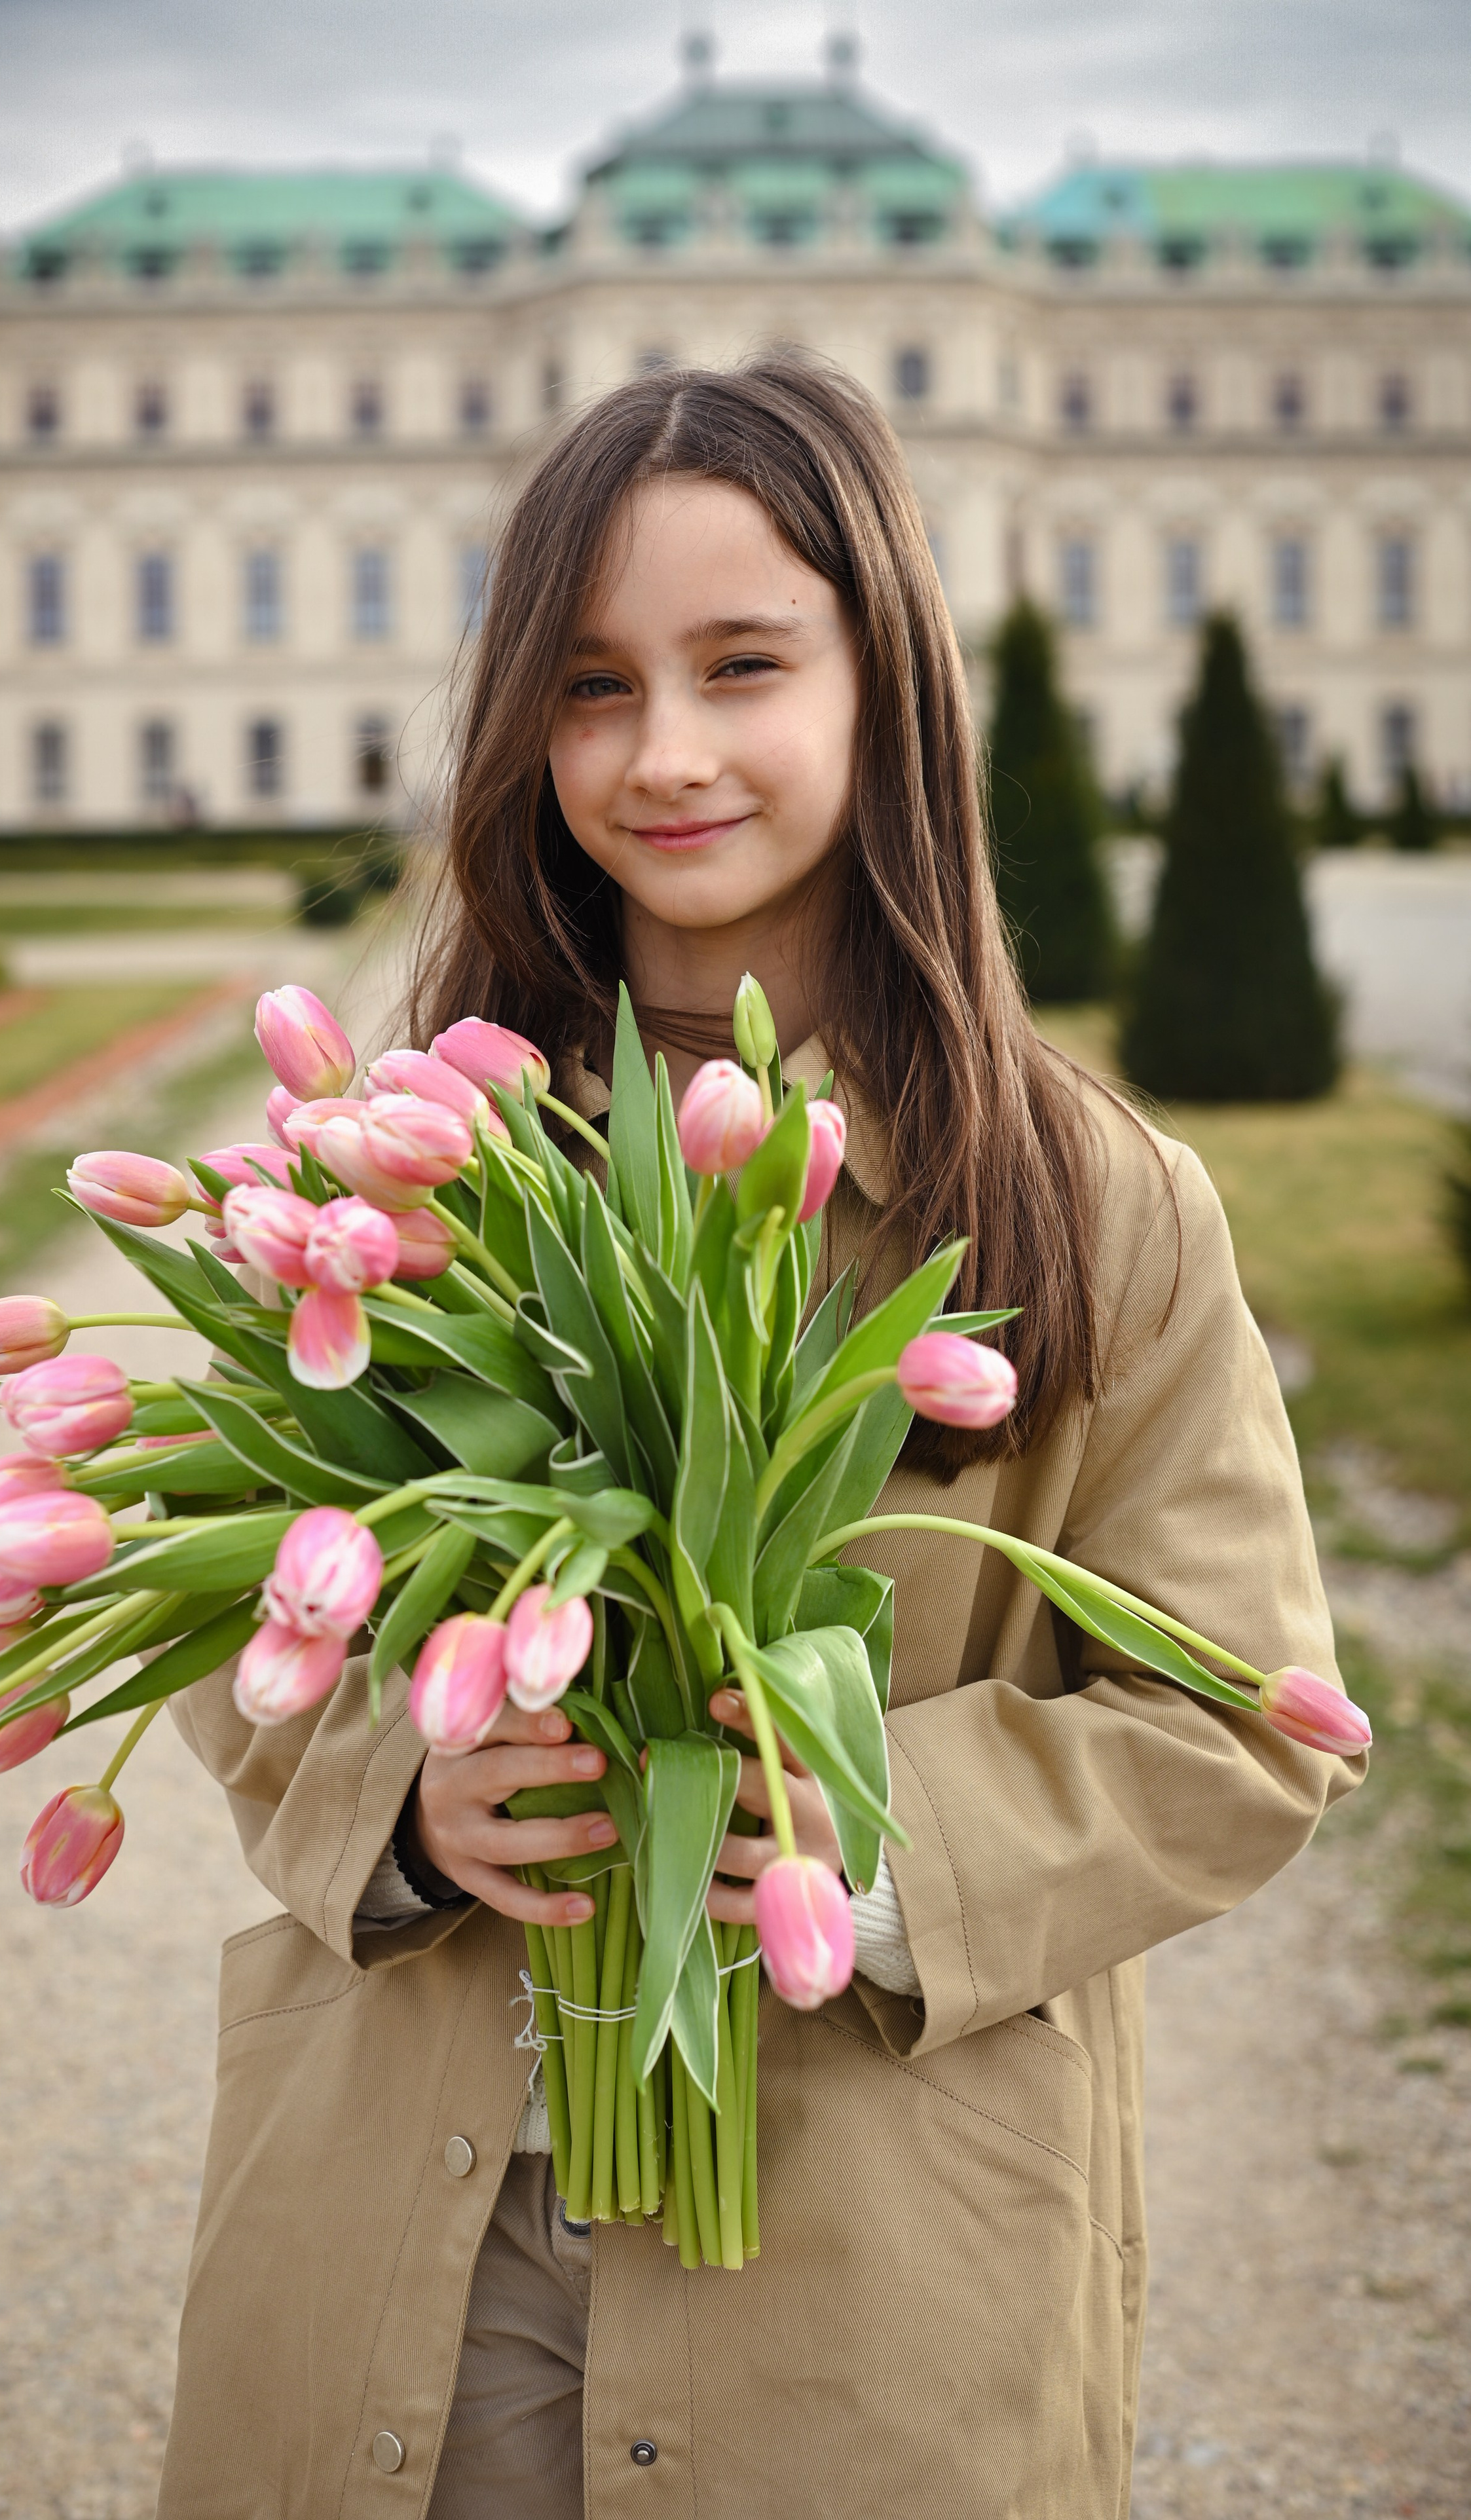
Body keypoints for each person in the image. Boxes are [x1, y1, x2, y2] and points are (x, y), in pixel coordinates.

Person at [157, 356, 1363, 2519]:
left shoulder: (1089, 1200)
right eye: (595, 685)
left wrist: (881, 1848)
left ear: (884, 681)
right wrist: (408, 1807)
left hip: (868, 2252)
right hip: (414, 2210)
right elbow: (257, 1635)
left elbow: (1248, 1728)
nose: (667, 752)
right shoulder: (410, 1156)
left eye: (742, 666)